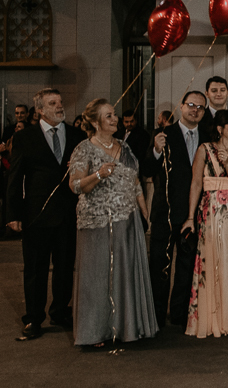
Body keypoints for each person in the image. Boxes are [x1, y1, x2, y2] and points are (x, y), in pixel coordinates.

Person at [69, 99, 156, 347]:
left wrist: (143, 209)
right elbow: (75, 185)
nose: (114, 119)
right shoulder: (84, 149)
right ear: (95, 123)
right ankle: (95, 332)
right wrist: (97, 175)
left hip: (127, 221)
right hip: (97, 221)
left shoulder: (125, 148)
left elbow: (135, 180)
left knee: (125, 274)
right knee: (97, 277)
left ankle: (129, 328)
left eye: (114, 115)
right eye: (108, 116)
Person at [7, 88, 85, 340]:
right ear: (40, 110)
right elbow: (14, 177)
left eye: (61, 102)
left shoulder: (77, 136)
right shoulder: (24, 138)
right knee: (35, 269)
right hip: (36, 215)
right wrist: (13, 214)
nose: (60, 107)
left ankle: (60, 311)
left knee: (64, 267)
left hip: (68, 214)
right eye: (53, 103)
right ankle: (33, 319)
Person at [182, 110, 228, 338]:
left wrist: (227, 162)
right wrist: (190, 217)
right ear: (220, 128)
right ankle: (213, 316)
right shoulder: (204, 149)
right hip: (210, 209)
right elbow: (195, 183)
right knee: (212, 258)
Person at [140, 91, 207, 329]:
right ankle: (156, 317)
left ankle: (179, 315)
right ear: (181, 106)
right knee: (159, 265)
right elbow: (147, 169)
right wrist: (156, 151)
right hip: (165, 212)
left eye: (200, 107)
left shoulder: (207, 136)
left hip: (193, 213)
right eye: (191, 105)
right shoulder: (163, 135)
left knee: (187, 267)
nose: (195, 110)